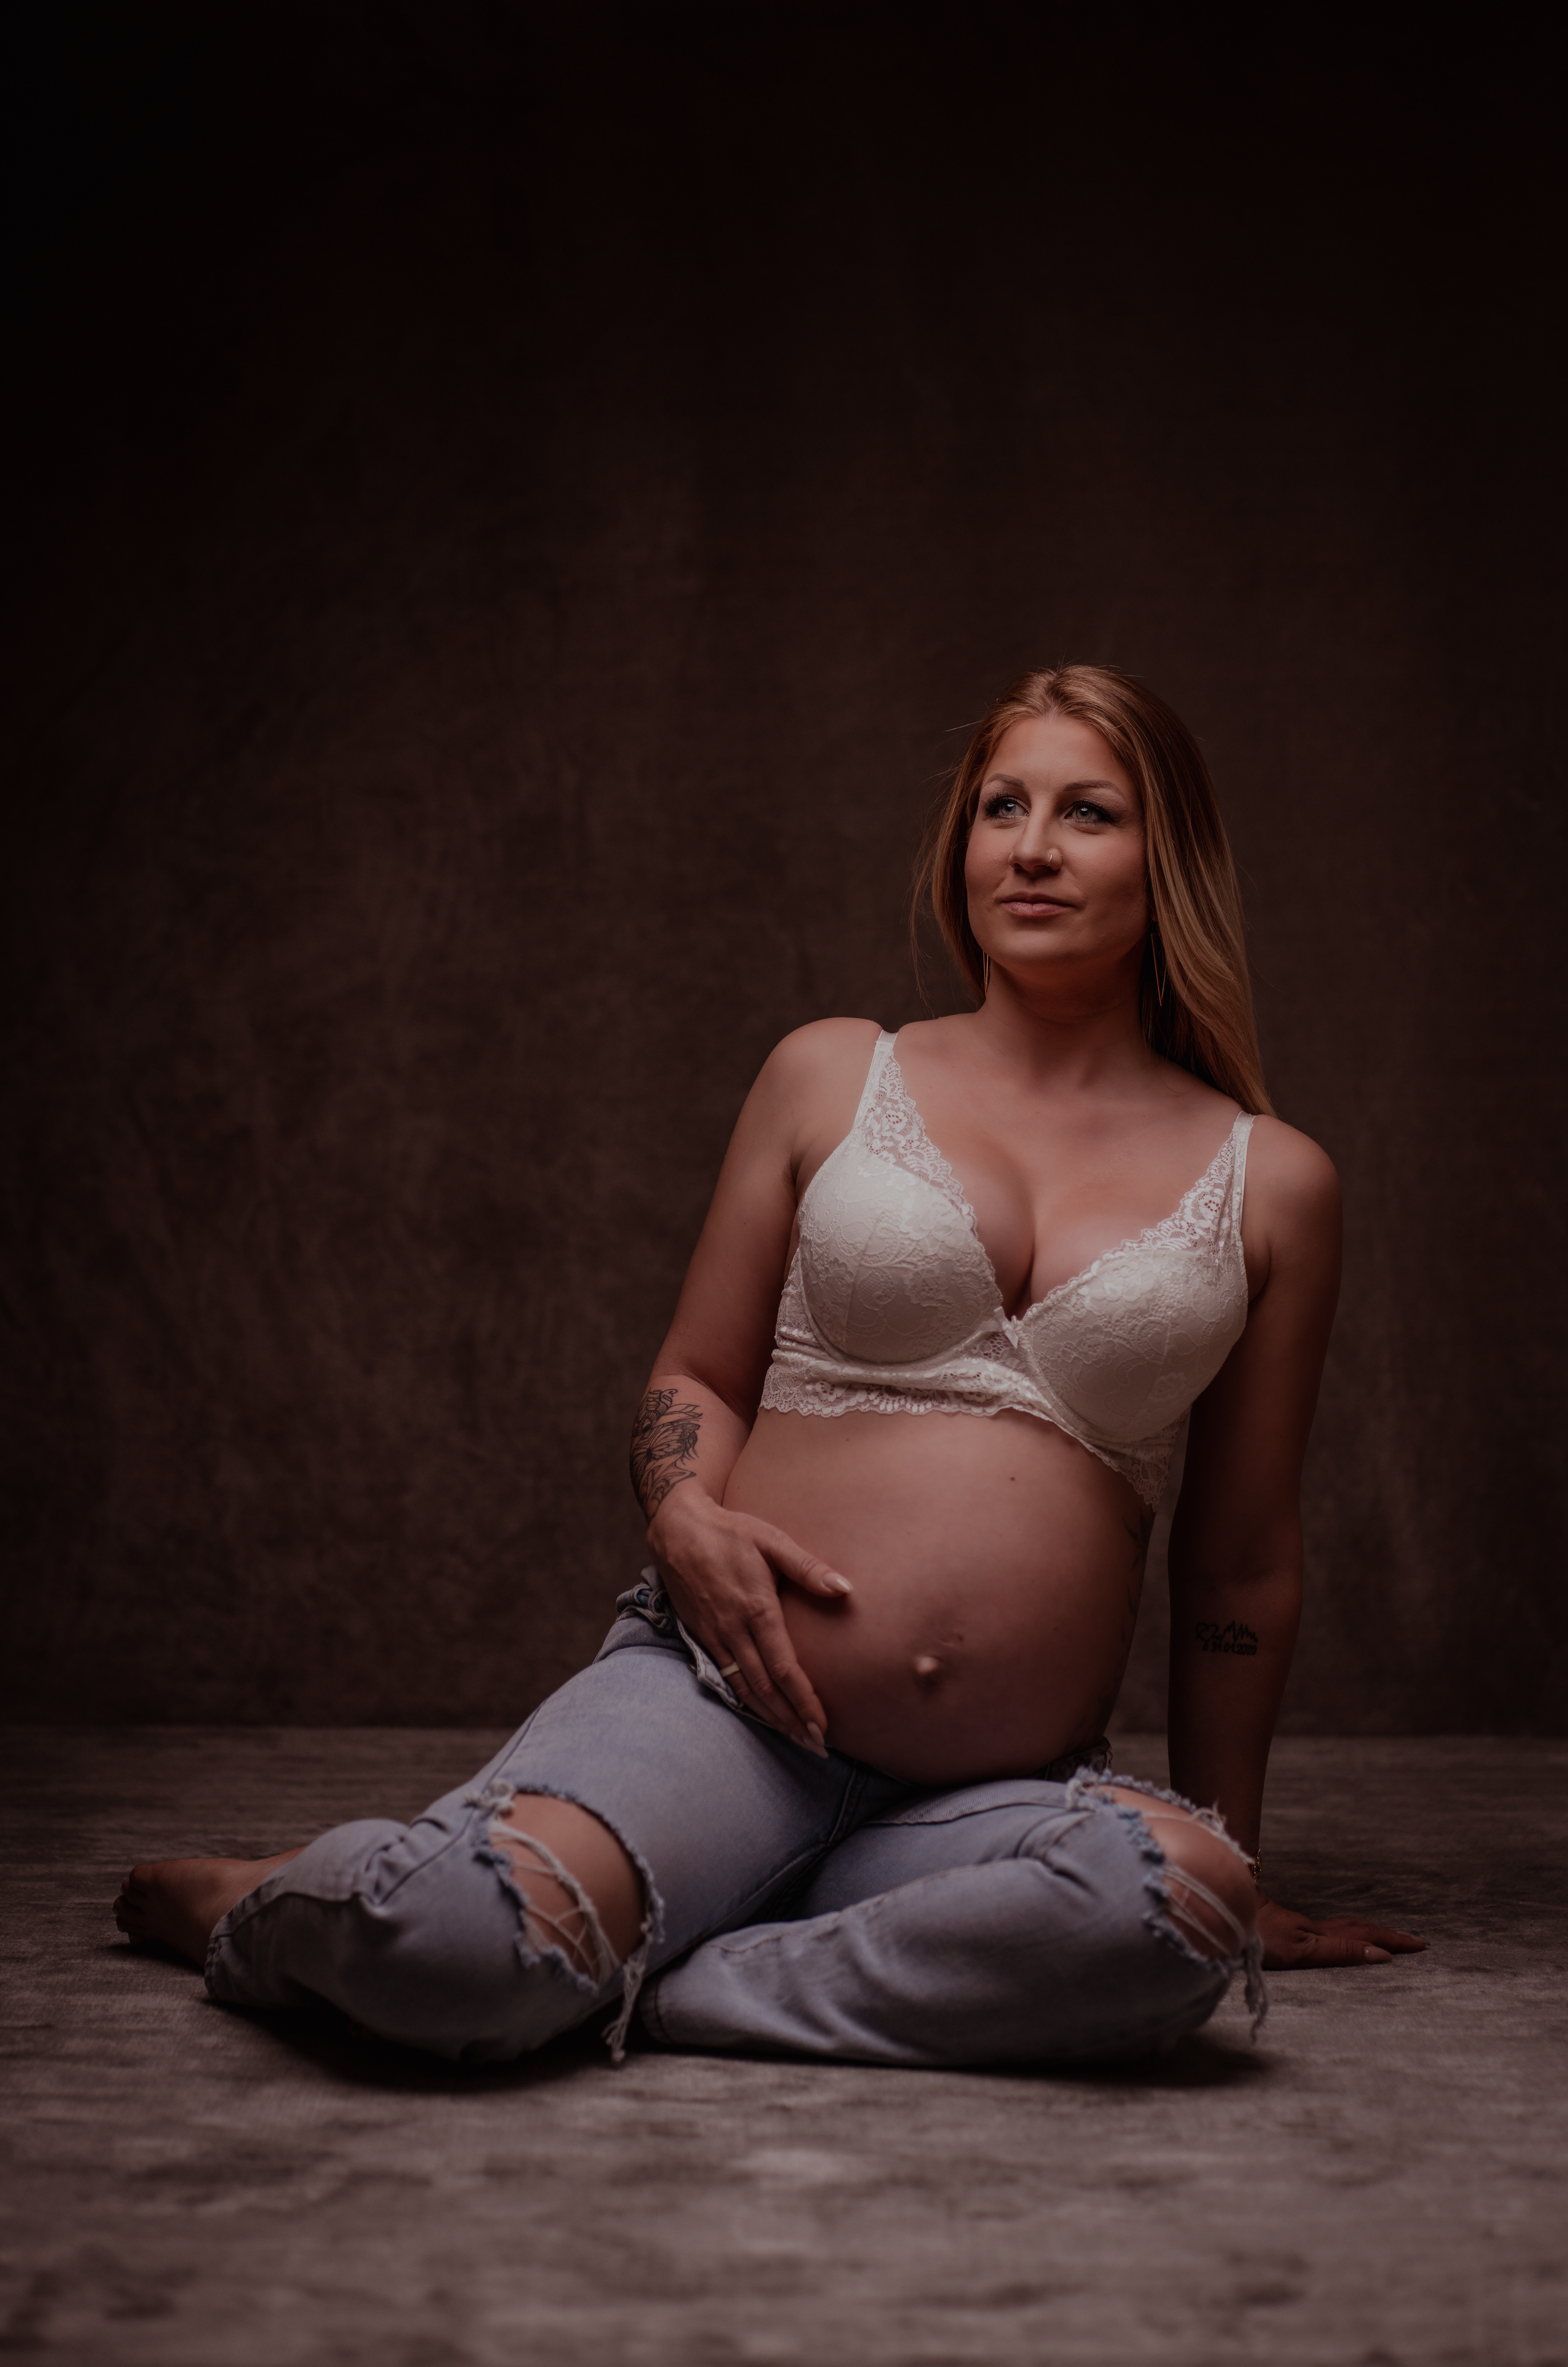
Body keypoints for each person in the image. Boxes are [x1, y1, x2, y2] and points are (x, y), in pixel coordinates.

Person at [116, 664, 1425, 2066]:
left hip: (986, 1796)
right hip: (722, 1719)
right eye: (1002, 807)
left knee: (1186, 1911)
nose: (1033, 847)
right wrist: (683, 1513)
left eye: (1088, 813)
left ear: (1170, 861)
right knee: (453, 1954)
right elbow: (694, 1377)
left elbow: (1239, 1571)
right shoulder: (833, 1074)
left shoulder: (1273, 1183)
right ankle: (258, 1903)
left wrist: (1245, 1860)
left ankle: (672, 1977)